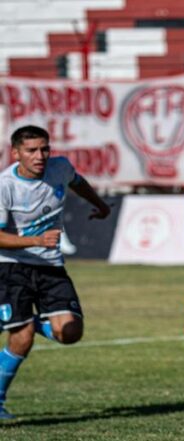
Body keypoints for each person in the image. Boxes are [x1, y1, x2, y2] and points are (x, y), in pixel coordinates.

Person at [0, 125, 111, 420]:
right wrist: (36, 240)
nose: (40, 156)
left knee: (70, 332)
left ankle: (25, 320)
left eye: (44, 149)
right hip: (12, 266)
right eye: (31, 150)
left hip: (50, 265)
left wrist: (100, 205)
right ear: (15, 153)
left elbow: (77, 181)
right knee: (22, 338)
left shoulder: (59, 168)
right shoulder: (5, 186)